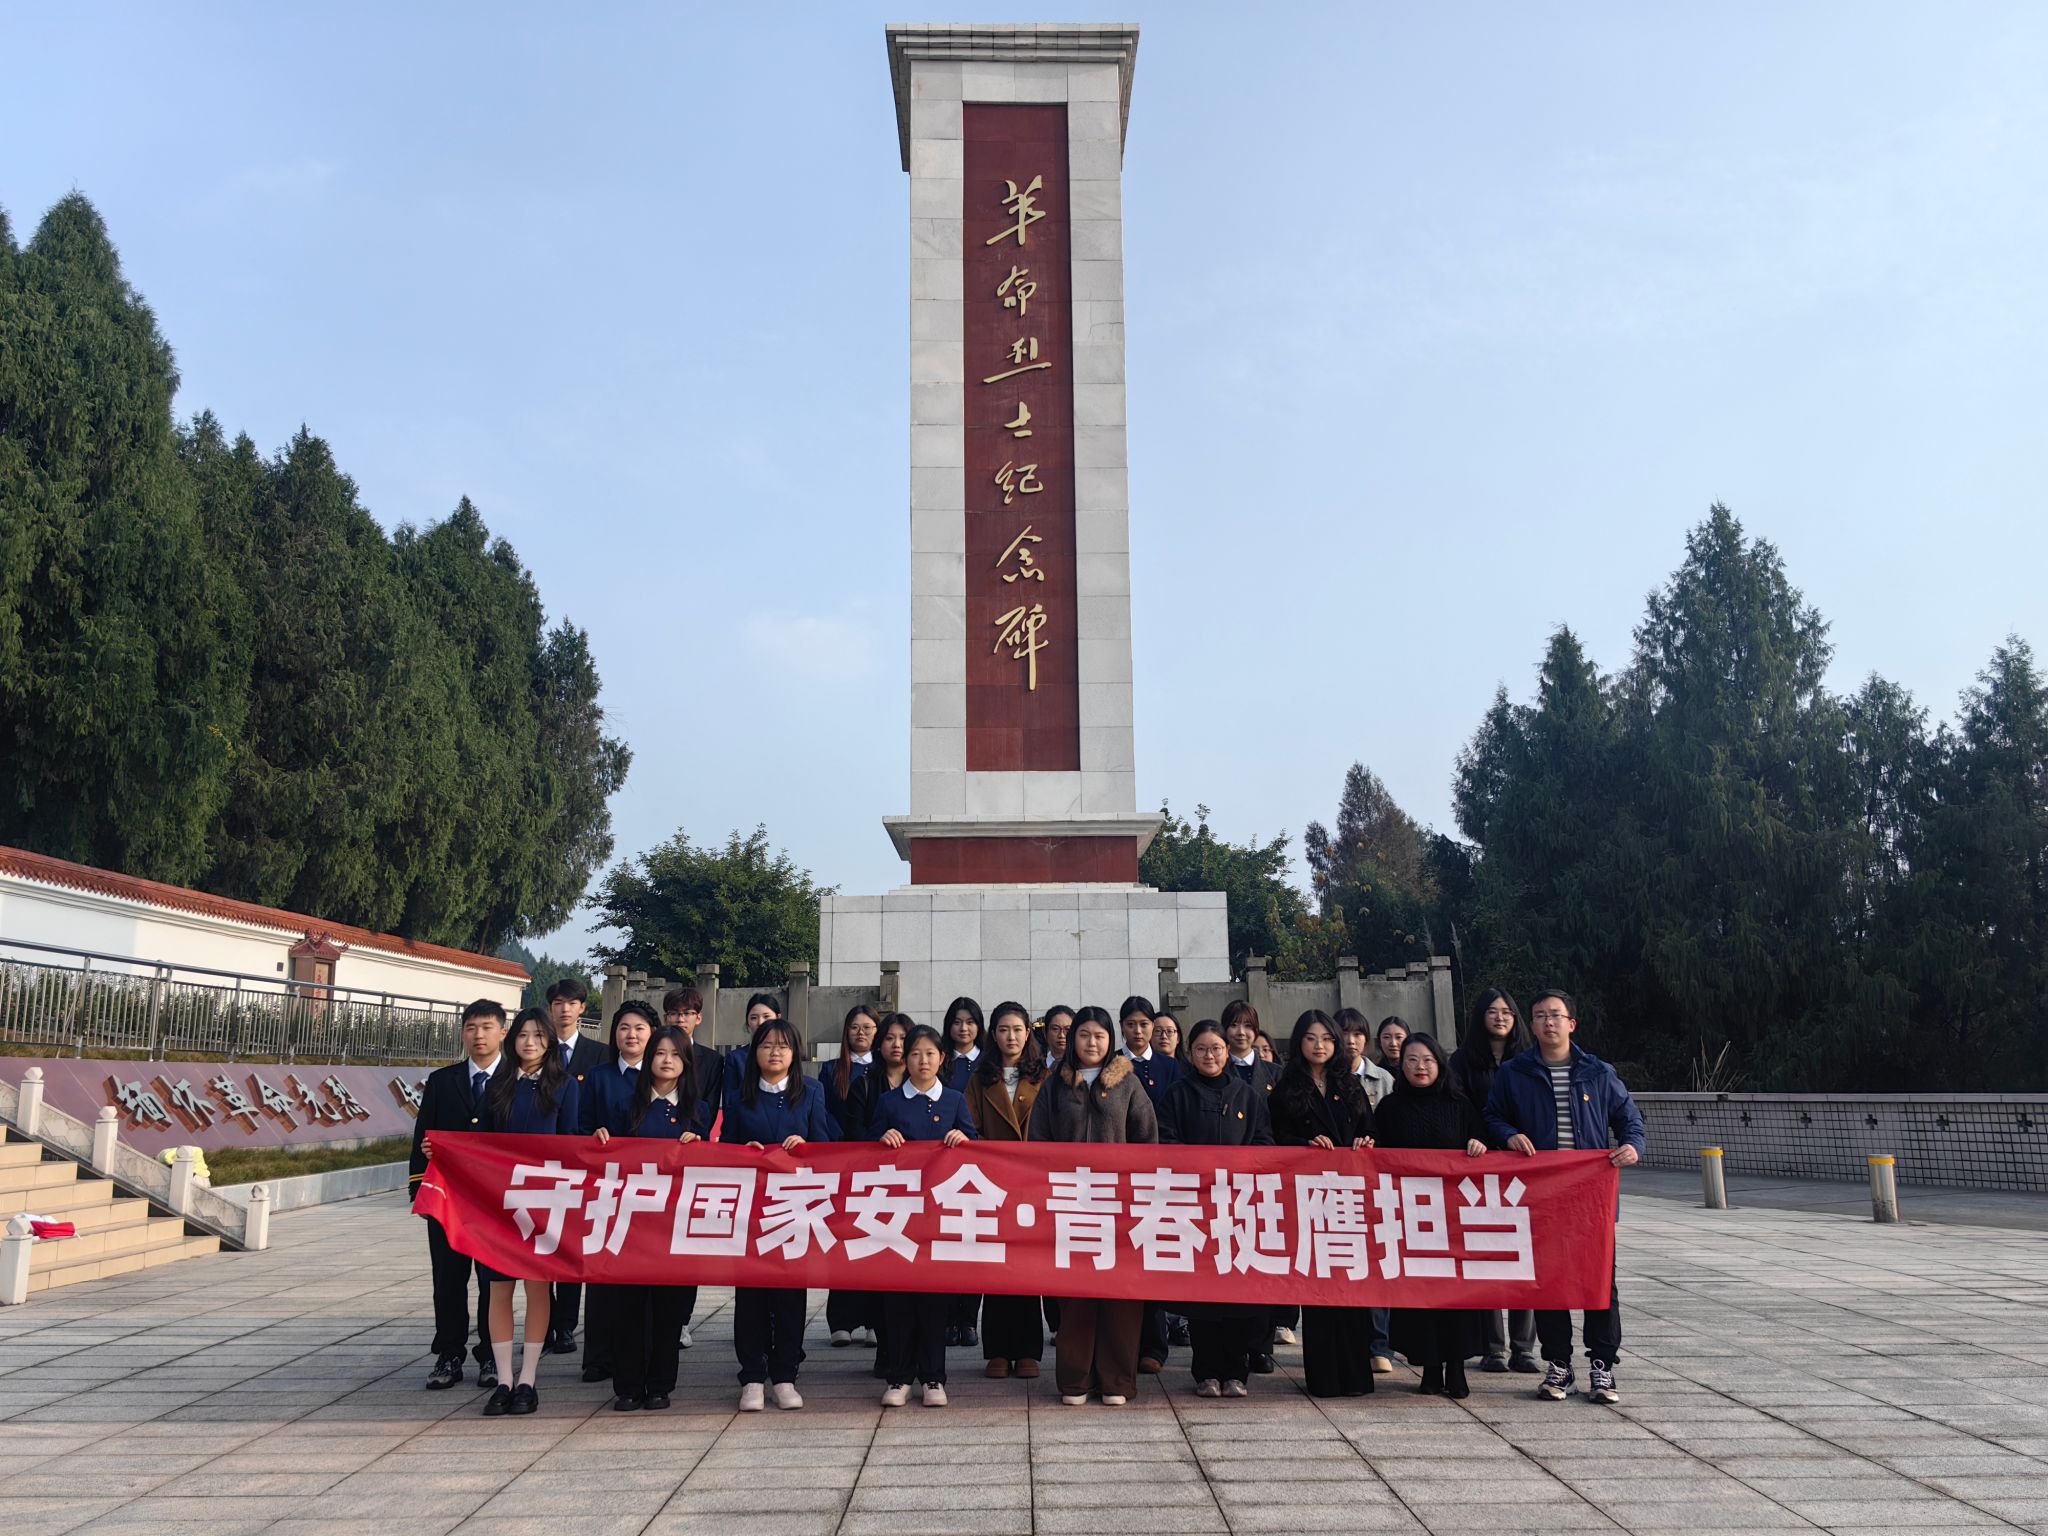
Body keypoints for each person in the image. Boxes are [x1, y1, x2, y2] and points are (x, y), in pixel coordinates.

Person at [1486, 988, 1644, 1405]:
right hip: (1542, 1196)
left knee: (1599, 1282)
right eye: (1540, 1015)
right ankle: (1558, 1364)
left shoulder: (1598, 1072)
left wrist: (1632, 1146)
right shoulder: (1516, 1072)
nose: (1548, 1022)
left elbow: (1630, 1119)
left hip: (1591, 1197)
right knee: (1549, 1282)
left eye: (1555, 1015)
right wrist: (1509, 1134)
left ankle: (1602, 1365)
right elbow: (1492, 1115)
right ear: (1532, 1025)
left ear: (1572, 1023)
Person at [1027, 1005, 1157, 1406]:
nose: (1091, 1042)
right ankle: (1075, 1379)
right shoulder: (1055, 1085)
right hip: (1071, 1203)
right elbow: (1039, 1140)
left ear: (1110, 1039)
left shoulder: (1128, 1084)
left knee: (1120, 1295)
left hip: (1118, 1206)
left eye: (1099, 1036)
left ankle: (1116, 1380)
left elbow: (1147, 1140)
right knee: (1075, 1295)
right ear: (1072, 1040)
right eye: (1083, 1035)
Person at [719, 1018, 835, 1411]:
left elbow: (826, 1147)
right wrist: (743, 1153)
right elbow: (724, 1151)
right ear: (755, 1052)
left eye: (783, 1046)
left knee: (790, 1296)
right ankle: (752, 1376)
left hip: (794, 1209)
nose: (775, 1052)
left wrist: (806, 1146)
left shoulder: (812, 1092)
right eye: (767, 1045)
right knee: (750, 1295)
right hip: (752, 1211)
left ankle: (785, 1375)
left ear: (795, 1053)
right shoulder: (739, 1098)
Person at [1157, 1020, 1272, 1398]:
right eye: (1202, 1049)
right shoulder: (1177, 1094)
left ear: (1227, 1051)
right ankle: (1206, 1372)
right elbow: (1166, 1141)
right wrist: (1199, 1169)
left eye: (1216, 1048)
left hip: (1238, 1206)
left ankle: (1236, 1372)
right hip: (1195, 1206)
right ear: (1190, 1053)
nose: (1210, 1055)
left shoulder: (1247, 1095)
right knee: (1202, 1294)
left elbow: (1263, 1142)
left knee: (1237, 1292)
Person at [476, 1006, 581, 1415]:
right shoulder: (497, 1086)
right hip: (501, 1201)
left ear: (550, 1042)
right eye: (523, 1035)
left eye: (538, 1035)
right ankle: (503, 1378)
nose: (530, 1042)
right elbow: (481, 1144)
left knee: (538, 1289)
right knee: (497, 1289)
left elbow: (570, 1144)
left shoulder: (564, 1086)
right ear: (512, 1039)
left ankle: (528, 1378)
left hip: (543, 1201)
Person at [591, 1024, 701, 1411]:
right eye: (660, 1053)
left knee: (670, 1310)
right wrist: (601, 1139)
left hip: (676, 1224)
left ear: (687, 1063)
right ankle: (627, 1385)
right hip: (632, 1223)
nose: (667, 1061)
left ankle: (660, 1385)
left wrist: (700, 1146)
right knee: (628, 1307)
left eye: (676, 1054)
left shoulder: (697, 1112)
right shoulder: (626, 1106)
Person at [1269, 1009, 1377, 1398]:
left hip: (1348, 1196)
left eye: (1328, 1039)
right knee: (1319, 1287)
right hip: (1309, 1197)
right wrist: (1305, 1145)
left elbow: (1369, 1130)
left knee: (1352, 1285)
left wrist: (1366, 1142)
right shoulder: (1286, 1088)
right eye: (1312, 1038)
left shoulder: (1351, 1085)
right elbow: (1275, 1139)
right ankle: (1324, 1377)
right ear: (1299, 1042)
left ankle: (1356, 1374)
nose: (1320, 1046)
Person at [1374, 1033, 1489, 1398]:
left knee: (1457, 1295)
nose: (1419, 1067)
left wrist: (1478, 1145)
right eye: (1411, 1060)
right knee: (1420, 1295)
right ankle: (1429, 1366)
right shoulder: (1389, 1108)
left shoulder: (1460, 1105)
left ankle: (1456, 1367)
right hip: (1411, 1217)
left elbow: (1484, 1142)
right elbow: (1376, 1154)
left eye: (1427, 1060)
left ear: (1439, 1063)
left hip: (1453, 1219)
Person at [871, 1024, 977, 1406]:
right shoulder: (889, 1102)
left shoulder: (954, 1100)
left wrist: (964, 1140)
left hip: (938, 1216)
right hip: (899, 1216)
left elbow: (976, 1148)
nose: (922, 1061)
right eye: (915, 1053)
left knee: (934, 1300)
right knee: (898, 1299)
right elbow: (865, 1150)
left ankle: (933, 1377)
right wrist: (881, 1140)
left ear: (942, 1058)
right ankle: (898, 1377)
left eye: (930, 1053)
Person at [413, 999, 507, 1392]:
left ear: (503, 1032)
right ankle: (449, 1352)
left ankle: (490, 1352)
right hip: (448, 1198)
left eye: (487, 1027)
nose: (478, 1035)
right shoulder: (442, 1081)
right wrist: (420, 1190)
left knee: (492, 1280)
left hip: (495, 1201)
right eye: (471, 1028)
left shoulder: (517, 1081)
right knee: (448, 1279)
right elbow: (422, 1136)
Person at [1450, 987, 1538, 1373]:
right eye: (1492, 1011)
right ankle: (1493, 1347)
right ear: (1480, 1016)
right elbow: (1458, 1106)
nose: (1500, 1017)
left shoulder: (1530, 1060)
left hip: (1524, 1167)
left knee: (1523, 1256)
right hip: (1480, 1166)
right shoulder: (1462, 1061)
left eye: (1507, 1011)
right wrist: (1477, 1138)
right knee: (1486, 1255)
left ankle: (1524, 1346)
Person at [576, 1000, 658, 1384]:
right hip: (607, 1188)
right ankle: (598, 1357)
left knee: (646, 1274)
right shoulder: (599, 1077)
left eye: (640, 1028)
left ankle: (643, 1352)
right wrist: (593, 1136)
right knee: (603, 1273)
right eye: (624, 1028)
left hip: (652, 1190)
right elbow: (581, 1127)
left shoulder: (660, 1076)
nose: (631, 1035)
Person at [964, 1001, 1046, 1379]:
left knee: (1028, 1266)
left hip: (1032, 1183)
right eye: (1002, 1029)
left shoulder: (1045, 1076)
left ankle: (1028, 1349)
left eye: (1017, 1029)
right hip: (993, 1182)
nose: (1010, 1036)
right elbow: (969, 1127)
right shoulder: (980, 1078)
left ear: (1028, 1033)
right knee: (995, 1264)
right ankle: (996, 1349)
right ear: (993, 1035)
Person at [544, 978, 603, 1356]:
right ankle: (543, 1323)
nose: (565, 1009)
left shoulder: (599, 1054)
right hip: (542, 1164)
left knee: (571, 1247)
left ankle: (565, 1325)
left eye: (572, 1003)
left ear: (582, 1008)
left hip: (583, 1166)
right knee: (541, 1247)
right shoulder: (536, 1048)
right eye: (558, 1003)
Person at [662, 985, 722, 1352]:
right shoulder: (656, 1051)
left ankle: (682, 1320)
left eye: (686, 1013)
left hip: (692, 1155)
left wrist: (695, 1134)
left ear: (698, 1018)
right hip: (655, 1160)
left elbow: (710, 1105)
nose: (679, 1019)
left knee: (686, 1243)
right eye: (673, 1013)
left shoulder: (711, 1060)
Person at [823, 1003, 882, 1347]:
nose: (861, 1033)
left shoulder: (884, 1071)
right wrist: (843, 1142)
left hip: (876, 1165)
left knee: (874, 1239)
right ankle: (841, 1320)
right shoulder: (831, 1069)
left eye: (868, 1027)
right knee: (843, 1240)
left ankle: (875, 1320)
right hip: (841, 1161)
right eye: (854, 1027)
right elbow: (824, 1112)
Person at [938, 995, 986, 1345]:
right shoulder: (939, 1060)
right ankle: (948, 1318)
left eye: (970, 1022)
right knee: (945, 1243)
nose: (963, 1028)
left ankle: (969, 1318)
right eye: (957, 1021)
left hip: (978, 1164)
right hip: (940, 1163)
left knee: (974, 1243)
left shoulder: (987, 1062)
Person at [1336, 1007, 1395, 1107]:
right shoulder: (1324, 1077)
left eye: (1357, 1034)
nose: (1351, 1041)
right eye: (1344, 1034)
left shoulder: (1384, 1079)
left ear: (1366, 1039)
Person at [1038, 1005, 1074, 1071]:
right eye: (1055, 1029)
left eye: (1067, 1029)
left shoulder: (1083, 1067)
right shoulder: (1034, 1068)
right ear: (1045, 1032)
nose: (1061, 1035)